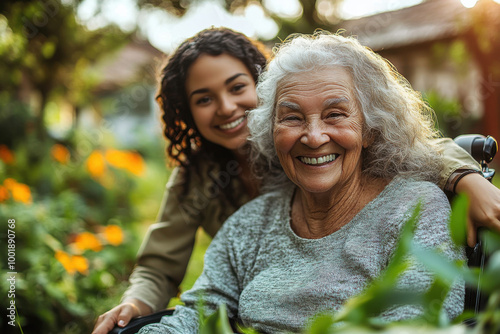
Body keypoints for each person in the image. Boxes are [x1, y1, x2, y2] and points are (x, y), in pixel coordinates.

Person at [92, 27, 500, 334]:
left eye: (237, 88)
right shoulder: (205, 184)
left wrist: (466, 177)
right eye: (204, 98)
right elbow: (176, 283)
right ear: (271, 126)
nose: (226, 107)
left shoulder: (403, 200)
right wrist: (136, 305)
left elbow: (421, 149)